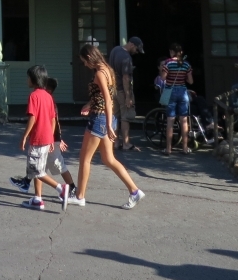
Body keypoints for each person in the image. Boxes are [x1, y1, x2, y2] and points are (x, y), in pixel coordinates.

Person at [73, 44, 146, 210]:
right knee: (108, 159)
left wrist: (107, 124)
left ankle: (80, 196)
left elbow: (107, 99)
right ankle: (134, 191)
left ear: (90, 58)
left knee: (85, 158)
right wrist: (89, 105)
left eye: (85, 61)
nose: (84, 64)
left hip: (100, 119)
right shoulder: (108, 69)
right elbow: (100, 96)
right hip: (106, 117)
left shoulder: (99, 73)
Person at [11, 77, 77, 200]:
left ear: (48, 89)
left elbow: (55, 122)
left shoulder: (48, 100)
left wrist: (58, 139)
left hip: (51, 139)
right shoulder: (46, 99)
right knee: (41, 167)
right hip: (49, 139)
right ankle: (37, 196)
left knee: (58, 165)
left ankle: (71, 188)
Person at [16, 64, 68, 210]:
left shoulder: (33, 96)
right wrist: (51, 138)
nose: (26, 80)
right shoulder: (48, 96)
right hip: (47, 138)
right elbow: (52, 119)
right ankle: (37, 198)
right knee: (38, 168)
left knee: (36, 170)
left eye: (28, 77)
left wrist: (24, 136)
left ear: (33, 79)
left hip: (38, 139)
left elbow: (32, 118)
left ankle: (61, 189)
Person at [107, 37, 144, 150]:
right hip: (122, 90)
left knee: (115, 116)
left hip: (113, 88)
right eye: (137, 49)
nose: (136, 52)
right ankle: (126, 143)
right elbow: (126, 77)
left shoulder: (115, 50)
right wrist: (128, 96)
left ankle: (116, 142)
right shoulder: (126, 58)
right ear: (132, 45)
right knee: (125, 117)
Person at [162, 43, 194, 155]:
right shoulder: (186, 65)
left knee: (170, 121)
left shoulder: (168, 63)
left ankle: (168, 148)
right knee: (184, 121)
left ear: (172, 52)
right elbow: (191, 81)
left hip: (171, 91)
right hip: (183, 92)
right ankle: (185, 148)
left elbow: (163, 78)